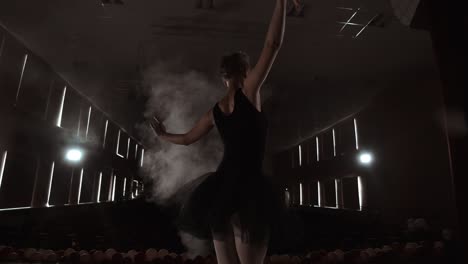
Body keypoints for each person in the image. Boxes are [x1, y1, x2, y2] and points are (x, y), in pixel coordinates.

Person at [150, 0, 287, 263]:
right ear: (246, 72)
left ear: (222, 76)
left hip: (222, 188)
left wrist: (162, 135)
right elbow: (272, 45)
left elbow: (188, 139)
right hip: (249, 187)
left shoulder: (215, 111)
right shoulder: (249, 92)